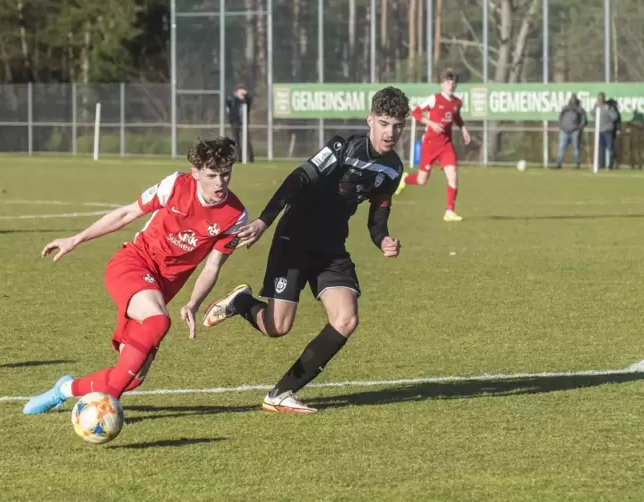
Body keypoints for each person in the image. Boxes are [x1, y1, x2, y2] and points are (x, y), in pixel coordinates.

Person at [200, 86, 407, 414]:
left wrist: (383, 240)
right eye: (384, 123)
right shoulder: (343, 146)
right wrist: (265, 222)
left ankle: (281, 393)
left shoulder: (393, 170)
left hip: (331, 247)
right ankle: (242, 302)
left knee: (346, 318)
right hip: (294, 238)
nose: (390, 132)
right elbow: (298, 178)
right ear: (370, 120)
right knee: (277, 327)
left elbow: (378, 217)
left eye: (397, 125)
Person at [22, 137, 248, 414]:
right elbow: (128, 213)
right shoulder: (175, 185)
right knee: (157, 320)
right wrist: (77, 238)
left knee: (131, 378)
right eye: (212, 175)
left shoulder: (236, 216)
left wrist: (193, 303)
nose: (220, 183)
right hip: (133, 264)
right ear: (196, 172)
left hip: (161, 288)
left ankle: (64, 389)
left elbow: (212, 266)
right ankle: (107, 407)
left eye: (225, 174)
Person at [394, 68, 471, 222]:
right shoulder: (434, 99)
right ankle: (405, 179)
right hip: (430, 144)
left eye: (453, 83)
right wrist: (431, 123)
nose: (451, 85)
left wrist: (463, 129)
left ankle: (449, 211)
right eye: (448, 82)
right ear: (442, 84)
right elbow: (416, 113)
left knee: (453, 175)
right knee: (422, 180)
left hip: (446, 145)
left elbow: (457, 117)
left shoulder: (457, 102)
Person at [555, 93, 586, 169]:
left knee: (576, 148)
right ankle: (558, 164)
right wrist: (561, 125)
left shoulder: (580, 109)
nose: (573, 100)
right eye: (572, 98)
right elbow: (560, 117)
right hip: (564, 131)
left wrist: (579, 128)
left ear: (576, 100)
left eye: (574, 99)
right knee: (561, 148)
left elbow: (583, 120)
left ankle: (577, 164)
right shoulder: (565, 108)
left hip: (574, 131)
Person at [226, 86, 254, 163]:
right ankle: (239, 158)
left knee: (247, 140)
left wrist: (245, 95)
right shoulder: (233, 100)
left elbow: (249, 99)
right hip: (235, 122)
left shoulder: (246, 101)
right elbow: (228, 102)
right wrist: (235, 95)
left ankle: (250, 158)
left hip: (244, 122)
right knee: (236, 141)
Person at [592, 92, 620, 170]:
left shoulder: (608, 107)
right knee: (600, 149)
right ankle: (602, 164)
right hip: (599, 131)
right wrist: (594, 110)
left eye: (601, 98)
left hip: (608, 130)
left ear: (604, 98)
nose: (600, 100)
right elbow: (592, 114)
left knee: (609, 148)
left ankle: (610, 165)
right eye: (599, 98)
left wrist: (608, 110)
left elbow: (615, 117)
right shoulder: (596, 106)